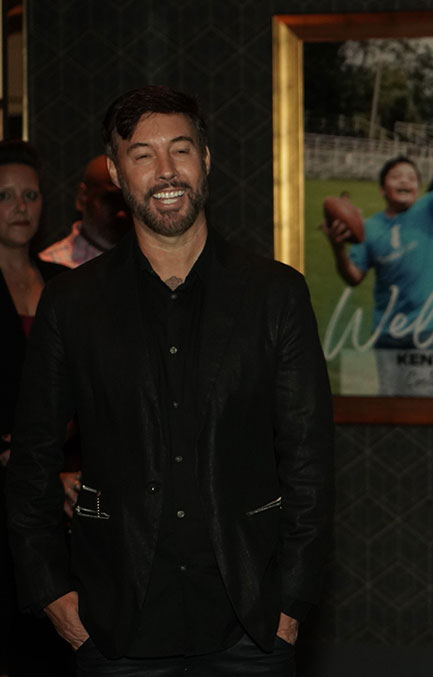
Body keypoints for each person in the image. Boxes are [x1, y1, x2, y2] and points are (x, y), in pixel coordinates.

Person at [6, 85, 335, 675]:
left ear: (205, 159)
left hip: (253, 631)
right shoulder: (72, 304)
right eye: (142, 154)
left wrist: (291, 604)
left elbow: (310, 461)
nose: (166, 171)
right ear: (114, 171)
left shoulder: (275, 295)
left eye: (181, 150)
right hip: (114, 631)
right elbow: (32, 460)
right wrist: (51, 594)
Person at [321, 87, 433, 396]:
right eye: (397, 176)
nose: (405, 180)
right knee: (392, 404)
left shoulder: (428, 209)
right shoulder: (370, 228)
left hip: (427, 329)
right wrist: (337, 248)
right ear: (382, 188)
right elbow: (353, 276)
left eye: (412, 177)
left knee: (427, 404)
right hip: (387, 332)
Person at [0, 139, 75, 676]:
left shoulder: (65, 286)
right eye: (4, 196)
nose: (21, 206)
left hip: (65, 493)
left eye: (30, 194)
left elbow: (90, 391)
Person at [38, 154, 130, 268]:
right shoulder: (52, 266)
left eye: (127, 202)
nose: (121, 213)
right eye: (110, 199)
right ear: (82, 197)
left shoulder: (149, 261)